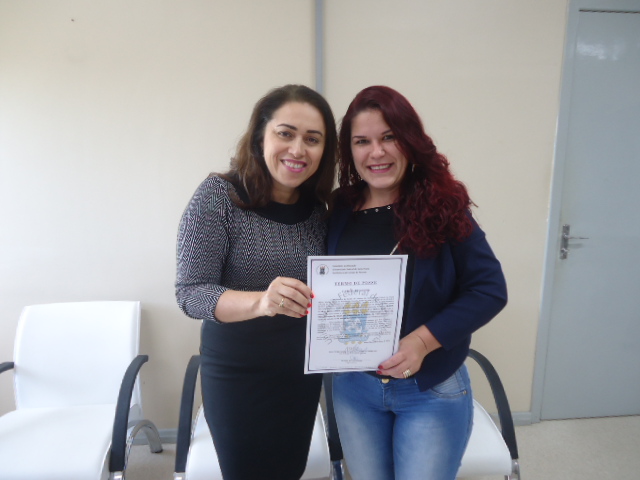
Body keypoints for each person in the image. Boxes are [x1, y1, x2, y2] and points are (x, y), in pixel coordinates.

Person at [328, 86, 507, 480]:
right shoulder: (339, 207)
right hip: (355, 388)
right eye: (362, 141)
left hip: (430, 388)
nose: (376, 152)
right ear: (349, 150)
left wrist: (423, 342)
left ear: (409, 141)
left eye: (389, 137)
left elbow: (489, 289)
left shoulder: (442, 206)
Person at [175, 84, 337, 480]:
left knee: (290, 469)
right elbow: (190, 293)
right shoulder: (219, 196)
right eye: (286, 133)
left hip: (300, 373)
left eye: (312, 139)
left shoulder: (320, 210)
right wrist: (261, 302)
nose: (298, 149)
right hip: (238, 372)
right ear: (260, 135)